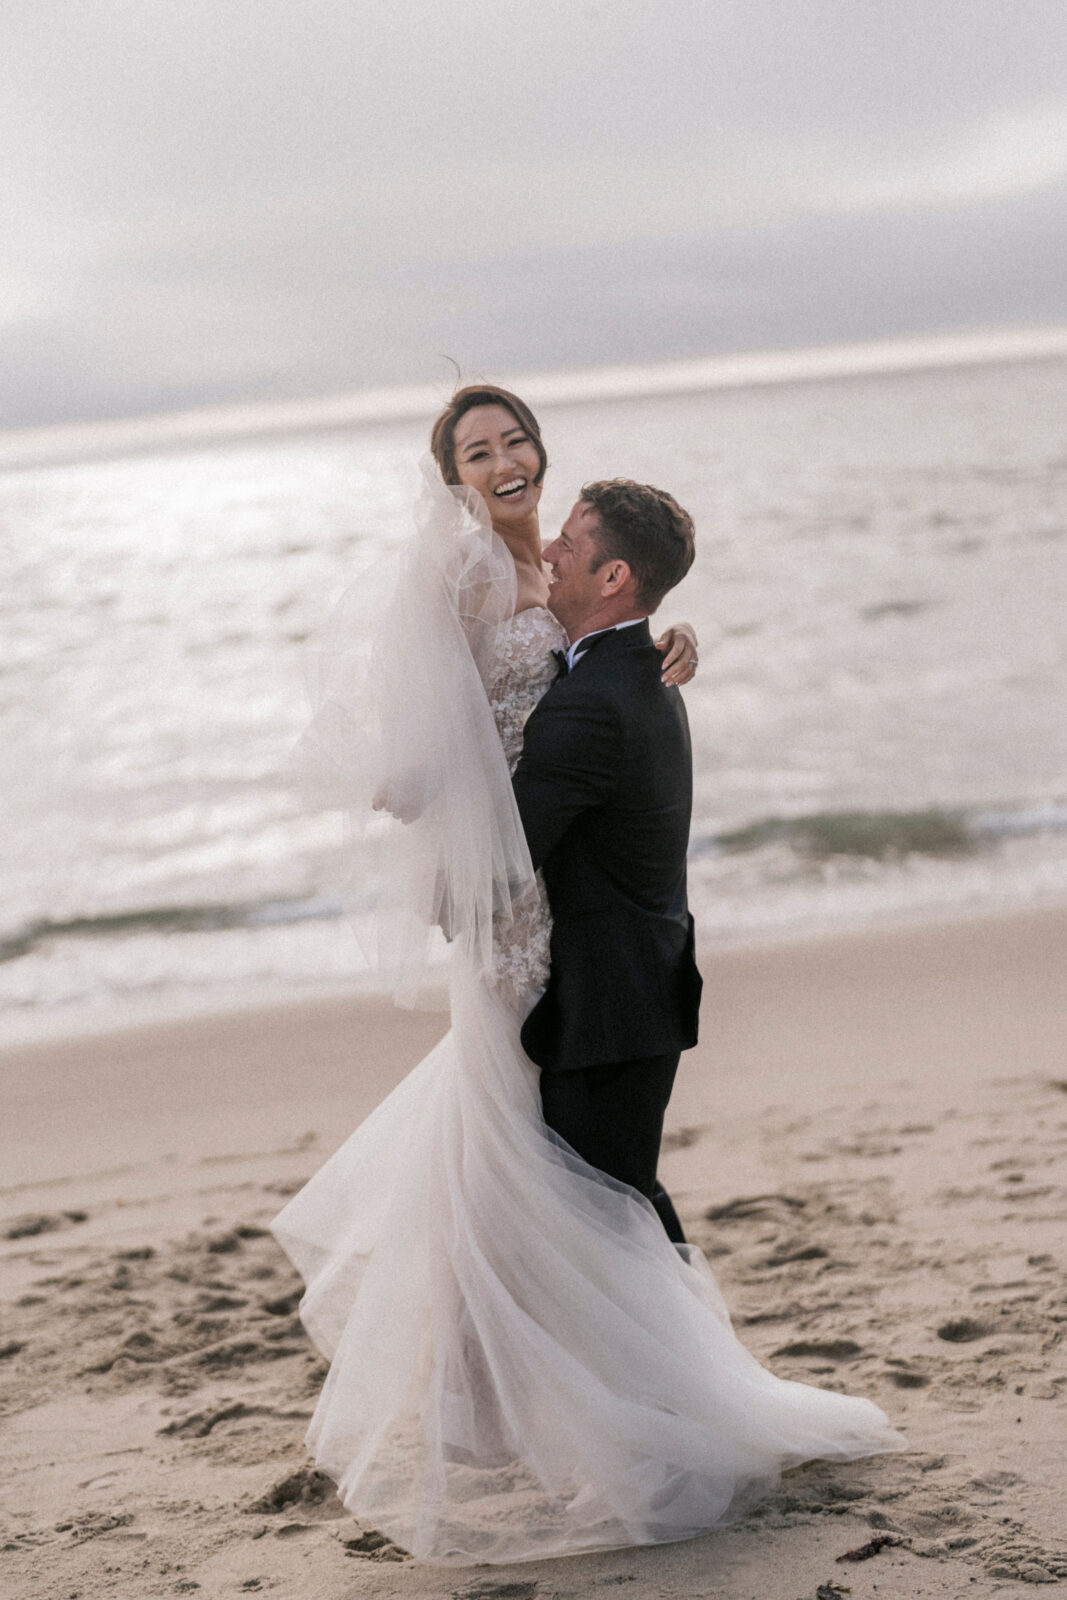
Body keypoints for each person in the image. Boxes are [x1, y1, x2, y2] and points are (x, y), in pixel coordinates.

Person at [270, 385, 903, 1566]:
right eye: (478, 449)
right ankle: (520, 1401)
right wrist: (428, 802)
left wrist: (667, 639)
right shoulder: (457, 579)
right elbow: (412, 739)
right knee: (515, 1159)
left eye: (516, 440)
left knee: (527, 1169)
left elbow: (598, 662)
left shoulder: (577, 573)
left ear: (541, 455)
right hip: (519, 908)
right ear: (451, 475)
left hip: (564, 903)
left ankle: (544, 1403)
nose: (507, 463)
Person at [513, 480, 702, 1246]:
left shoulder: (593, 700)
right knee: (624, 1205)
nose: (549, 553)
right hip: (638, 990)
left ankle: (688, 1362)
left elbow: (501, 860)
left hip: (606, 1010)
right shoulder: (634, 671)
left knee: (608, 1222)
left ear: (614, 577)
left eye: (568, 542)